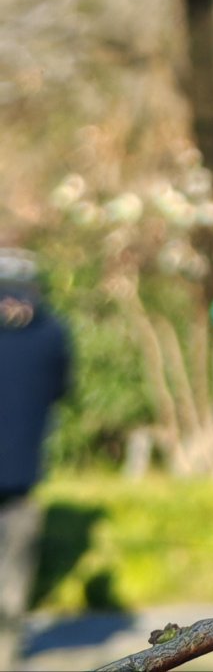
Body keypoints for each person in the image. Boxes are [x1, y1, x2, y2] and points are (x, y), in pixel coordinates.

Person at [0, 251, 71, 668]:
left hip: (23, 477)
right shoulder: (53, 333)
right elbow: (61, 388)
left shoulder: (51, 335)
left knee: (13, 574)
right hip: (25, 472)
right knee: (13, 575)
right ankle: (5, 653)